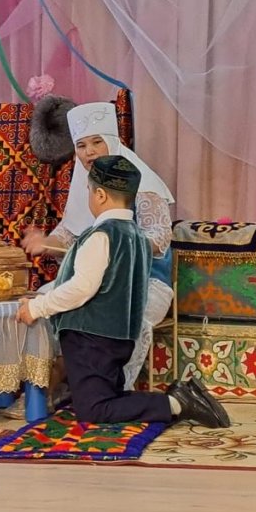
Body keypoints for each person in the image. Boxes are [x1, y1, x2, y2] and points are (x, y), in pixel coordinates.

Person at [16, 155, 230, 427]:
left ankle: (177, 402)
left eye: (89, 191)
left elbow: (82, 288)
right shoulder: (137, 236)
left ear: (100, 195)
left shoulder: (101, 236)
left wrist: (37, 307)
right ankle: (180, 397)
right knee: (106, 395)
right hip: (118, 337)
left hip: (91, 337)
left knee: (94, 409)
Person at [25, 100, 175, 390]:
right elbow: (67, 236)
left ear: (113, 142)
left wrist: (116, 247)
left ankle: (111, 391)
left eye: (96, 142)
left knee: (119, 313)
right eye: (81, 146)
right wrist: (45, 243)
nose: (89, 152)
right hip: (92, 278)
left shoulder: (143, 184)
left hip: (143, 282)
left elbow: (159, 239)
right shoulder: (84, 184)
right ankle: (48, 385)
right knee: (42, 302)